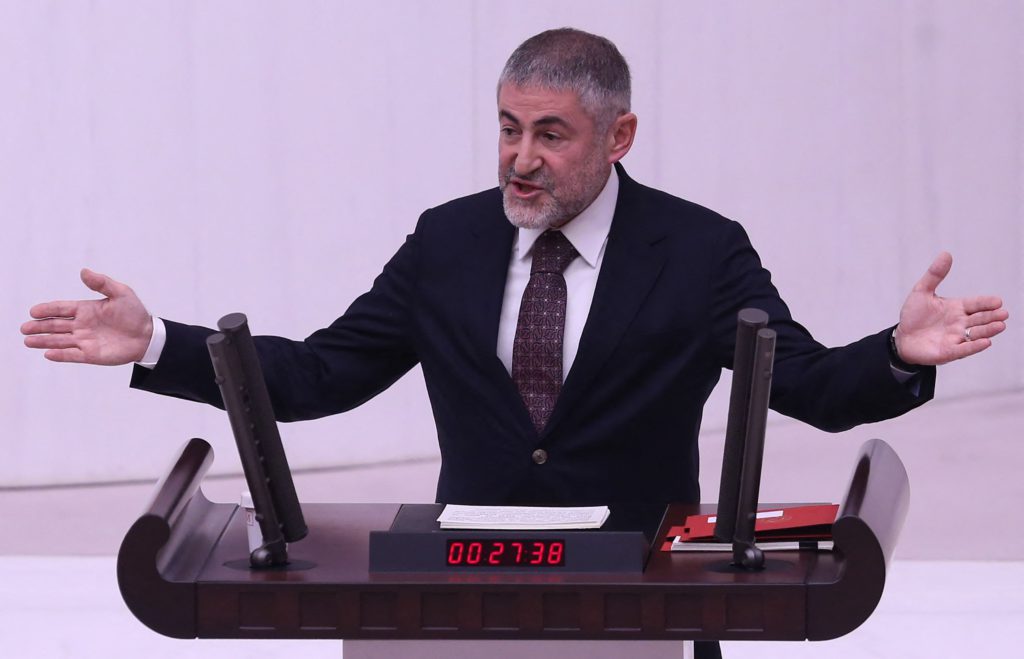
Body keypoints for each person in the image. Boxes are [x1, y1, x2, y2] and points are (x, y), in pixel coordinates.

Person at [20, 28, 1008, 657]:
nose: (519, 159)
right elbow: (321, 373)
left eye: (550, 134)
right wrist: (156, 341)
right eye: (506, 128)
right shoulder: (447, 240)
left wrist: (900, 351)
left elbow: (810, 385)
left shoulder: (699, 251)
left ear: (618, 136)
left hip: (640, 605)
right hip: (457, 593)